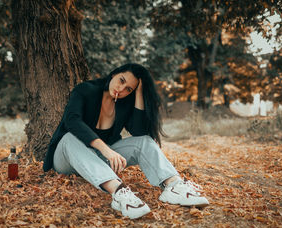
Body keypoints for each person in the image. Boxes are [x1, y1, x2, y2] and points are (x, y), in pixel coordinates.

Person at [43, 63, 209, 219]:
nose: (121, 89)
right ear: (114, 74)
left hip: (98, 160)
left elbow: (139, 132)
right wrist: (106, 150)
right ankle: (119, 192)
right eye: (121, 81)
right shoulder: (85, 90)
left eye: (128, 89)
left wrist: (138, 95)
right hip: (67, 157)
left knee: (144, 141)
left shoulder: (124, 103)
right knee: (69, 137)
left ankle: (173, 185)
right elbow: (73, 122)